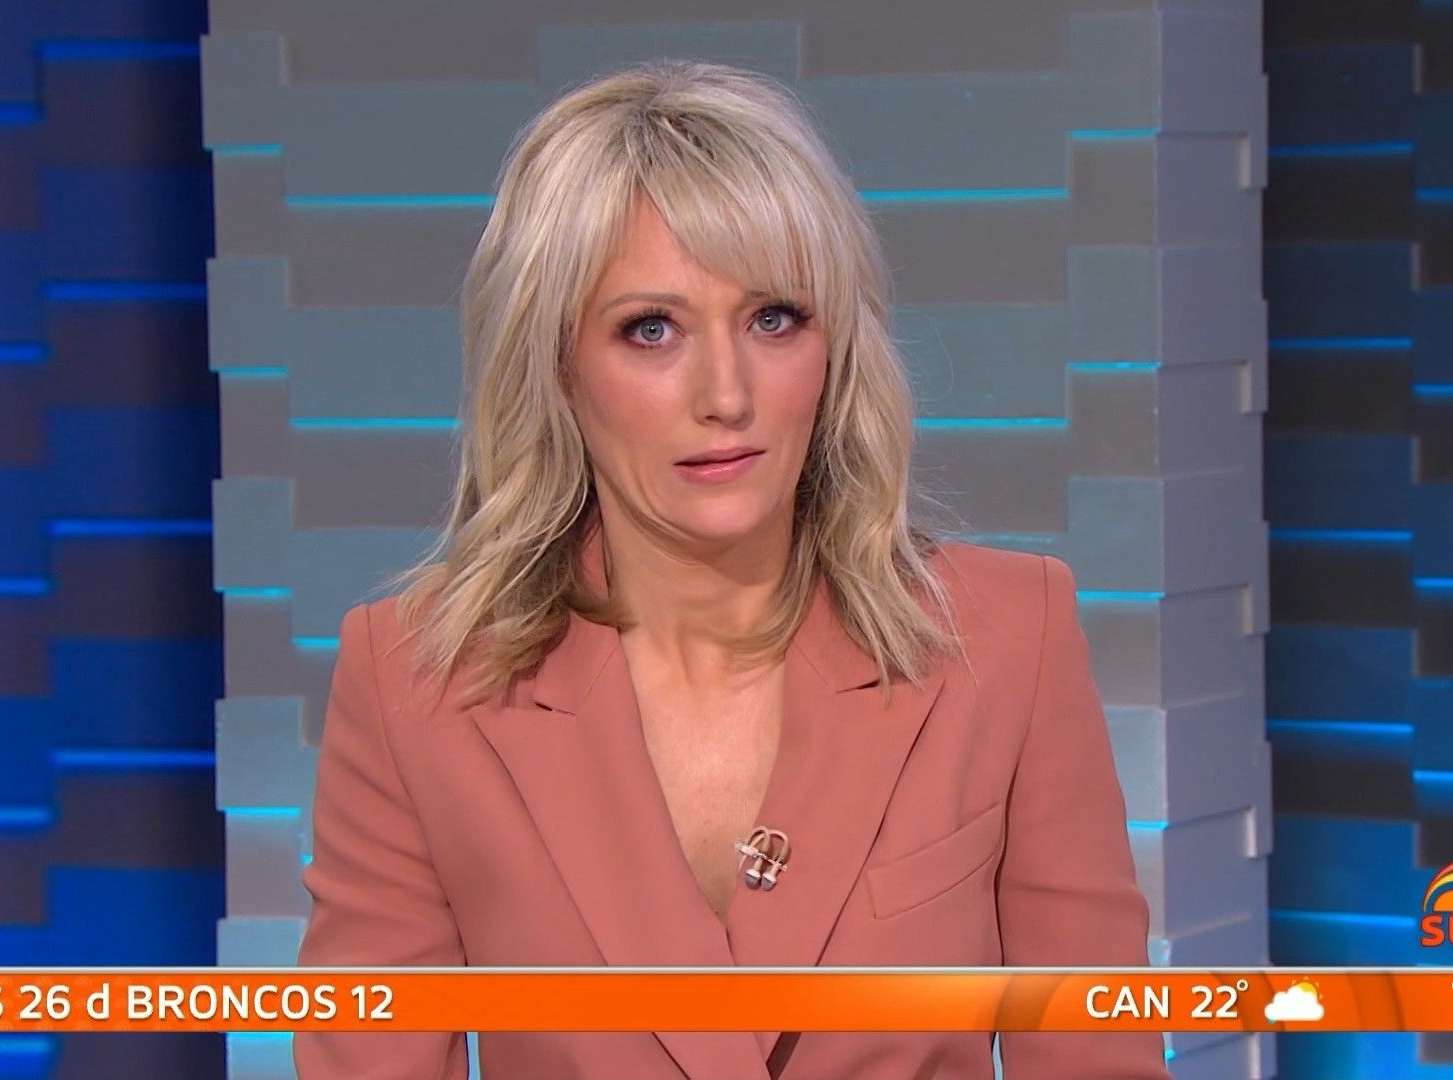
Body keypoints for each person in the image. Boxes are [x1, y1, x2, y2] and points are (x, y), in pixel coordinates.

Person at [292, 58, 1169, 1080]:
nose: (726, 393)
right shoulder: (414, 683)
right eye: (650, 329)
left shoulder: (1009, 639)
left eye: (773, 319)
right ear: (557, 366)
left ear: (835, 350)